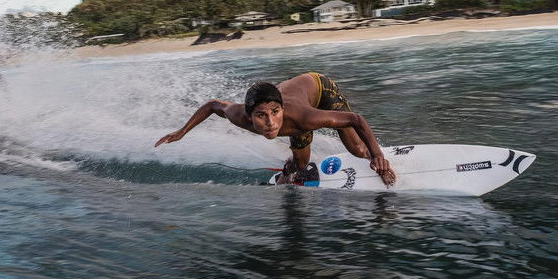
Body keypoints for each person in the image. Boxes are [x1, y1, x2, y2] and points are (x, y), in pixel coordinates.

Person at [155, 72, 396, 186]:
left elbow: (355, 119)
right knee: (300, 166)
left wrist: (378, 156)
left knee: (357, 149)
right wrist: (182, 132)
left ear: (281, 109)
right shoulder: (239, 115)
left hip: (320, 88)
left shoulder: (305, 117)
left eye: (275, 113)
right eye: (261, 115)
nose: (270, 122)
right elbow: (212, 105)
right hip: (292, 102)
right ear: (249, 116)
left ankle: (377, 160)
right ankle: (289, 170)